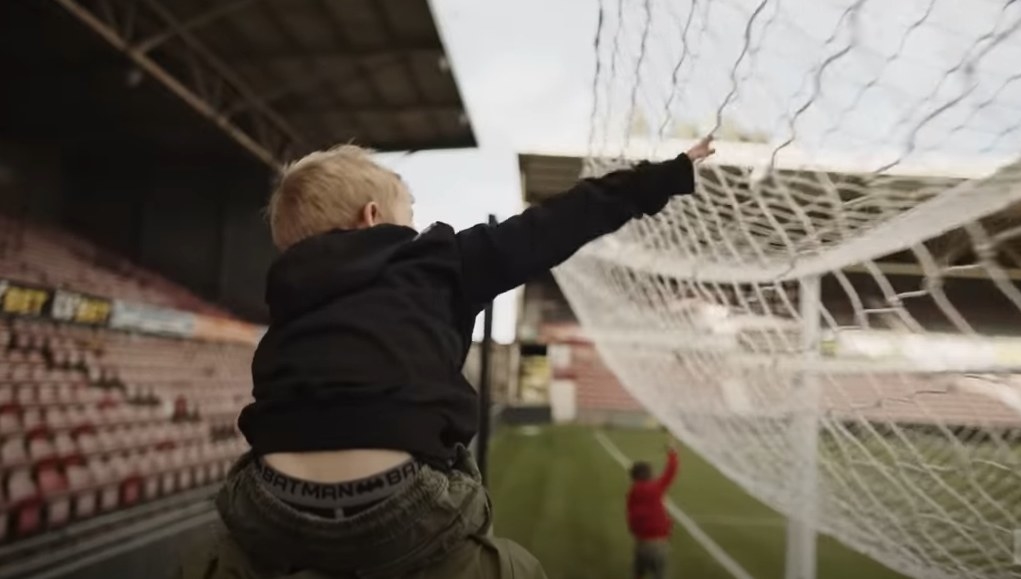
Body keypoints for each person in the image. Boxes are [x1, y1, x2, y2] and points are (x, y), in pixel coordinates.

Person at [178, 136, 716, 579]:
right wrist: (664, 176)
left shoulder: (287, 291)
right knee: (518, 568)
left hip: (266, 503)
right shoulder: (437, 259)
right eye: (408, 215)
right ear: (372, 216)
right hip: (401, 501)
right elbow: (557, 224)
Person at [627, 436, 680, 579]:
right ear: (647, 474)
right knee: (660, 574)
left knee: (639, 573)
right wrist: (673, 451)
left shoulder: (633, 492)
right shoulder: (655, 488)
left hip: (640, 542)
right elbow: (671, 472)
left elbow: (631, 517)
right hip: (657, 543)